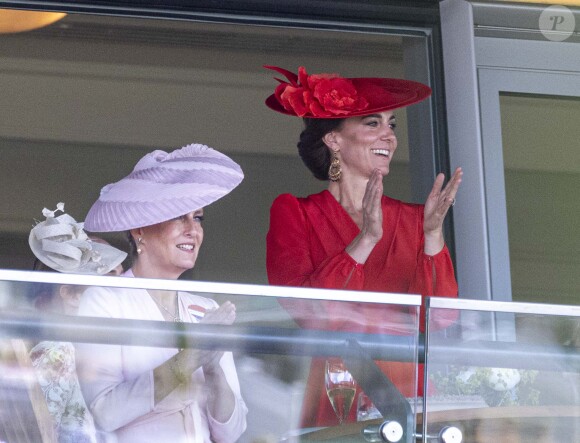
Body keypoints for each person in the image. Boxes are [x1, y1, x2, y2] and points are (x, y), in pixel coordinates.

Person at [264, 66, 462, 426]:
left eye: (392, 124)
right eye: (373, 123)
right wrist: (366, 239)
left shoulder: (417, 219)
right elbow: (309, 314)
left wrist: (433, 235)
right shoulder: (295, 213)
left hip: (410, 390)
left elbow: (438, 320)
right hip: (336, 388)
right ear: (333, 140)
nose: (388, 135)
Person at [75, 143, 248, 443]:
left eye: (198, 217)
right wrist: (190, 356)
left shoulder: (205, 307)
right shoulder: (105, 300)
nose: (193, 230)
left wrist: (213, 368)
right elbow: (103, 412)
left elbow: (232, 432)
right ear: (139, 229)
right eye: (179, 216)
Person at [27, 202, 127, 443]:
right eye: (109, 281)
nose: (123, 291)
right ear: (70, 294)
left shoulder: (103, 356)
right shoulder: (56, 354)